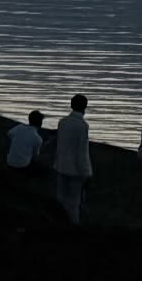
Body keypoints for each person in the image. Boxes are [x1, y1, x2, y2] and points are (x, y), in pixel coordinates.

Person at [52, 94, 92, 224]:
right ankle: (73, 226)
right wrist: (86, 172)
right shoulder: (83, 126)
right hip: (75, 170)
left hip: (61, 165)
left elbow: (60, 144)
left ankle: (58, 222)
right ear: (85, 107)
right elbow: (82, 152)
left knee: (61, 198)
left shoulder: (62, 122)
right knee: (74, 202)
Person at [6, 110, 45, 178]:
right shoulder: (38, 139)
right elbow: (35, 156)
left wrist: (17, 141)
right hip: (23, 165)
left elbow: (9, 134)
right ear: (40, 123)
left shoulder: (19, 127)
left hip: (10, 162)